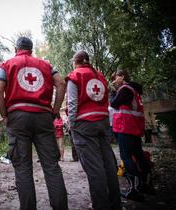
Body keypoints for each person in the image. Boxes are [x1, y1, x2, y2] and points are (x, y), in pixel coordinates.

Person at [0, 36, 68, 210]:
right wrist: (55, 110)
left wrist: (5, 116)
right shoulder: (46, 65)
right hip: (43, 116)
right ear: (31, 49)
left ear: (16, 49)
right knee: (51, 166)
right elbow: (61, 83)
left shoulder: (7, 64)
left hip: (18, 118)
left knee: (23, 169)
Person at [66, 50, 122, 210]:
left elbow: (72, 104)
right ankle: (115, 204)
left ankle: (100, 205)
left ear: (75, 62)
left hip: (84, 125)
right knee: (108, 165)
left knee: (94, 168)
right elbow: (106, 102)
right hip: (103, 123)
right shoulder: (100, 76)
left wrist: (72, 126)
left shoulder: (75, 76)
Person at [111, 69, 154, 201]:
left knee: (126, 156)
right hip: (134, 128)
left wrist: (112, 92)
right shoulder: (134, 90)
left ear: (122, 76)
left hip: (126, 128)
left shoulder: (125, 89)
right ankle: (144, 184)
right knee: (139, 155)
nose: (114, 80)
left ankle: (134, 190)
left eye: (115, 77)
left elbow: (113, 103)